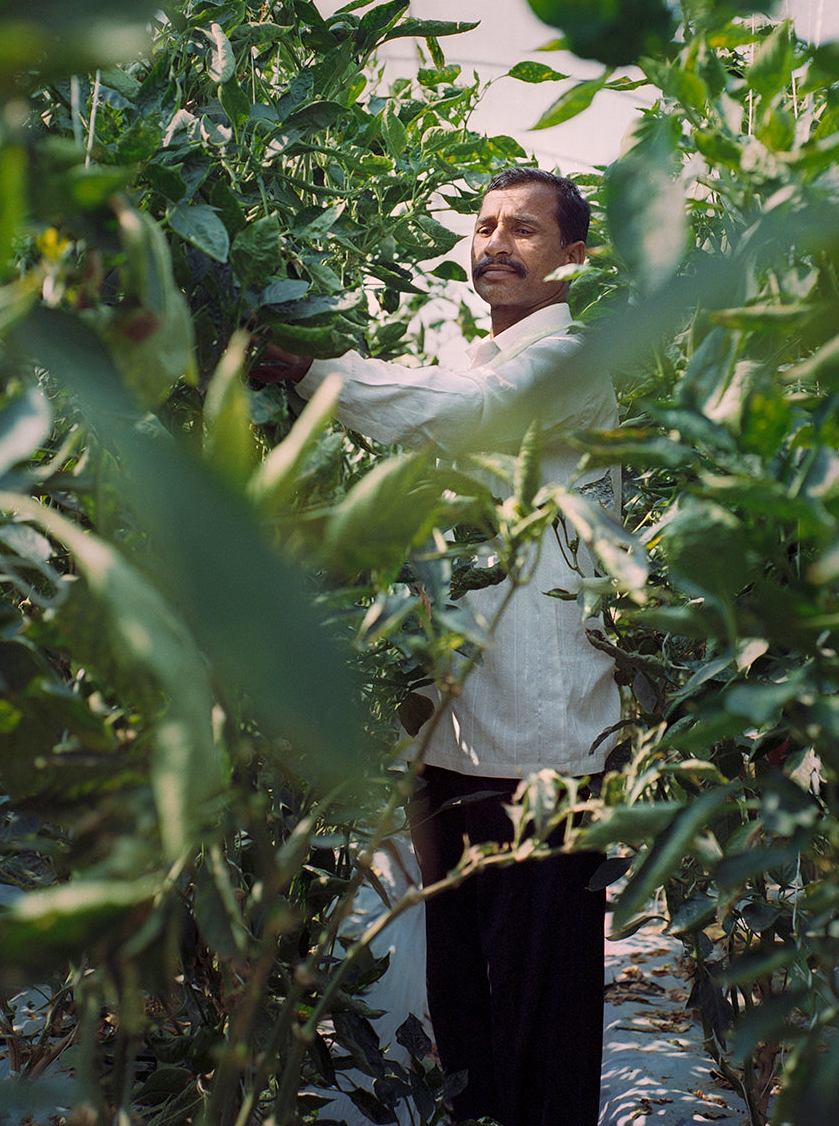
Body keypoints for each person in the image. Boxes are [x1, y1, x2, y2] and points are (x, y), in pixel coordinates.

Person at [255, 167, 619, 1126]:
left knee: (541, 1008)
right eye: (487, 225)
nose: (497, 242)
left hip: (545, 746)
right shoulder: (470, 363)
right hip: (454, 734)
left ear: (574, 257)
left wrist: (309, 371)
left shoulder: (569, 363)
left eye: (527, 230)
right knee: (467, 1005)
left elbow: (464, 418)